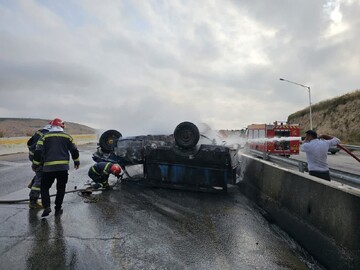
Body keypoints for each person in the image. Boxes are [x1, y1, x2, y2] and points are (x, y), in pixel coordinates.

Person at [32, 118, 80, 217]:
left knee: (44, 187)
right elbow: (74, 150)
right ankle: (58, 209)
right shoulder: (68, 137)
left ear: (52, 126)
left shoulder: (44, 137)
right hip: (63, 169)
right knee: (61, 189)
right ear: (62, 126)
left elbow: (38, 152)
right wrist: (76, 161)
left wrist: (35, 164)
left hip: (48, 168)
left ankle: (47, 207)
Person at [27, 123, 51, 209]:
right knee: (40, 179)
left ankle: (32, 183)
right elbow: (42, 150)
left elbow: (30, 142)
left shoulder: (40, 131)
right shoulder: (47, 135)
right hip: (39, 159)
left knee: (39, 174)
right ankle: (33, 202)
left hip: (32, 156)